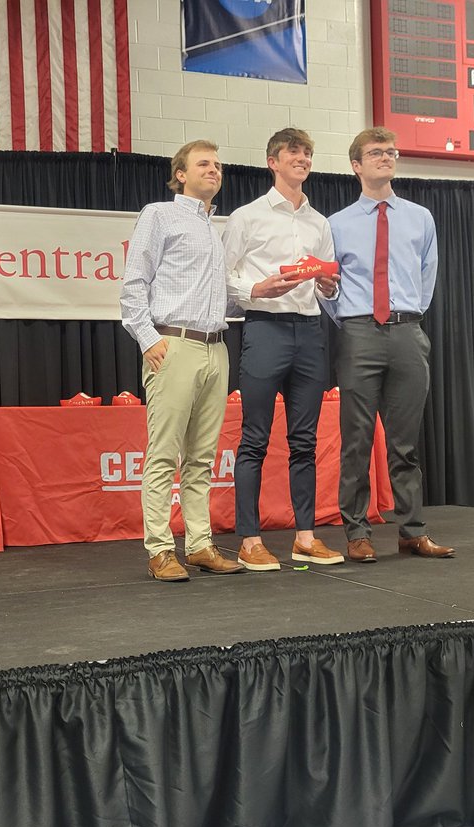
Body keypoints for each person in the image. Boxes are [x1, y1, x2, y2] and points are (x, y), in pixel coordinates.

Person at [120, 140, 244, 582]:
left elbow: (227, 294)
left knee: (202, 457)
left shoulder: (214, 228)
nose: (214, 170)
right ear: (181, 175)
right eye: (204, 164)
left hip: (216, 347)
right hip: (174, 345)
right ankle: (158, 549)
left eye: (218, 165)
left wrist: (264, 291)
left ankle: (199, 545)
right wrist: (149, 338)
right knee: (163, 455)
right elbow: (134, 282)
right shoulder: (159, 214)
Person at [328, 127, 454, 562]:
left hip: (406, 331)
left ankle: (412, 530)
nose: (386, 157)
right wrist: (349, 320)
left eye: (390, 151)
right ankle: (357, 532)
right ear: (356, 165)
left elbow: (427, 275)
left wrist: (409, 318)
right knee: (357, 439)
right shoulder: (336, 224)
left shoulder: (420, 217)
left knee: (406, 442)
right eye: (375, 152)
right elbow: (330, 285)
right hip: (359, 331)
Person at [222, 127, 344, 572]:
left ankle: (306, 538)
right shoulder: (247, 216)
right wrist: (257, 287)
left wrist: (329, 286)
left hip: (310, 332)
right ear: (272, 161)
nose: (303, 159)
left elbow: (329, 290)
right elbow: (223, 278)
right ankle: (250, 540)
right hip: (266, 329)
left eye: (308, 153)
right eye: (294, 152)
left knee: (304, 442)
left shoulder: (319, 222)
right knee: (254, 439)